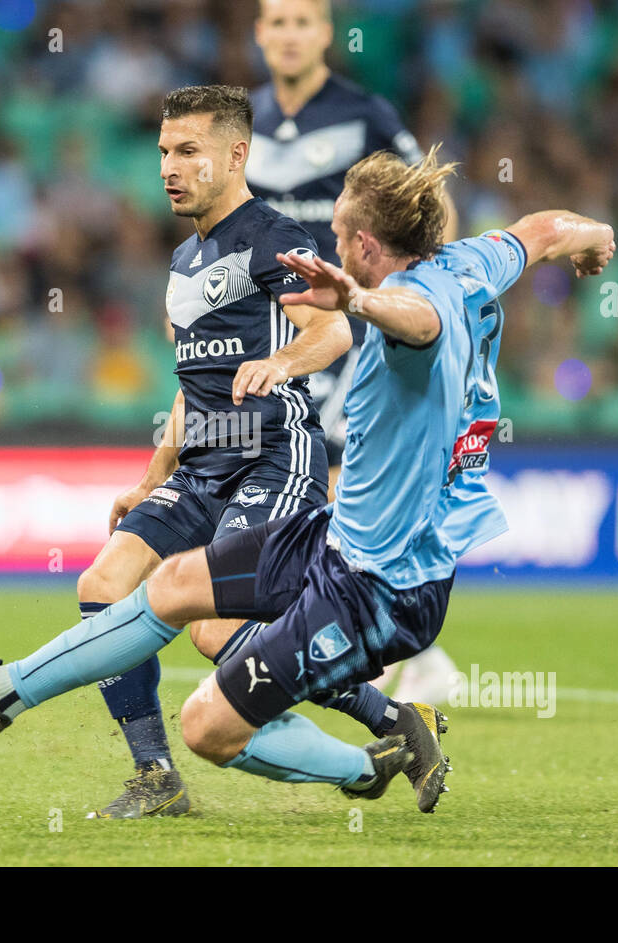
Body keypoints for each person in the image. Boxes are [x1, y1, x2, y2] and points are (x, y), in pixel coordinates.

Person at [0, 148, 615, 812]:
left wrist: (358, 304)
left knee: (206, 727)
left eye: (341, 229)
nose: (334, 240)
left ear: (367, 244)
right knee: (175, 584)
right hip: (340, 540)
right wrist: (594, 236)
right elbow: (541, 229)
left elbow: (419, 322)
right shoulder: (472, 262)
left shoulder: (407, 301)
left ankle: (371, 761)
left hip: (384, 587)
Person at [75, 84, 351, 817]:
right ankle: (157, 776)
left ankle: (381, 717)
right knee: (104, 585)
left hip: (270, 454)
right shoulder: (182, 260)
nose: (169, 166)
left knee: (212, 630)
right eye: (164, 151)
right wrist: (148, 481)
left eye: (189, 151)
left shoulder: (275, 236)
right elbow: (188, 391)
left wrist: (283, 363)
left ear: (236, 155)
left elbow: (335, 330)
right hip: (201, 466)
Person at [248, 0, 463, 705]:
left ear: (325, 35)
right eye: (276, 22)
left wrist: (423, 283)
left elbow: (430, 205)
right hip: (269, 329)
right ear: (259, 33)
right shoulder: (242, 119)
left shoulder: (364, 113)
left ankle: (399, 644)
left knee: (341, 477)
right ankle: (315, 637)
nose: (288, 35)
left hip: (344, 328)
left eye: (301, 22)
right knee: (284, 484)